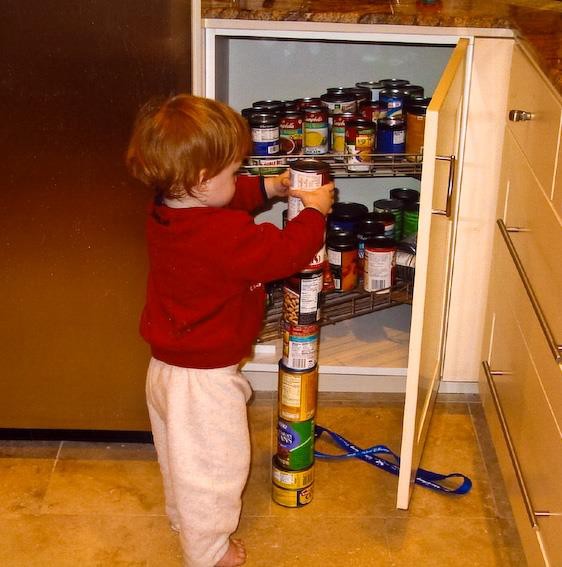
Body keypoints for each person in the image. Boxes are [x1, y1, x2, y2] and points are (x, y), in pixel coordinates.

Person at [126, 94, 334, 567]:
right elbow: (282, 254)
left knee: (183, 460)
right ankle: (208, 553)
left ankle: (187, 523)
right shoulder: (221, 237)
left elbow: (226, 198)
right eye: (234, 171)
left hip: (167, 367)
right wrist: (315, 213)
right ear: (200, 180)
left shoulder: (169, 208)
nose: (240, 180)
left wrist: (269, 190)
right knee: (215, 469)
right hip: (203, 380)